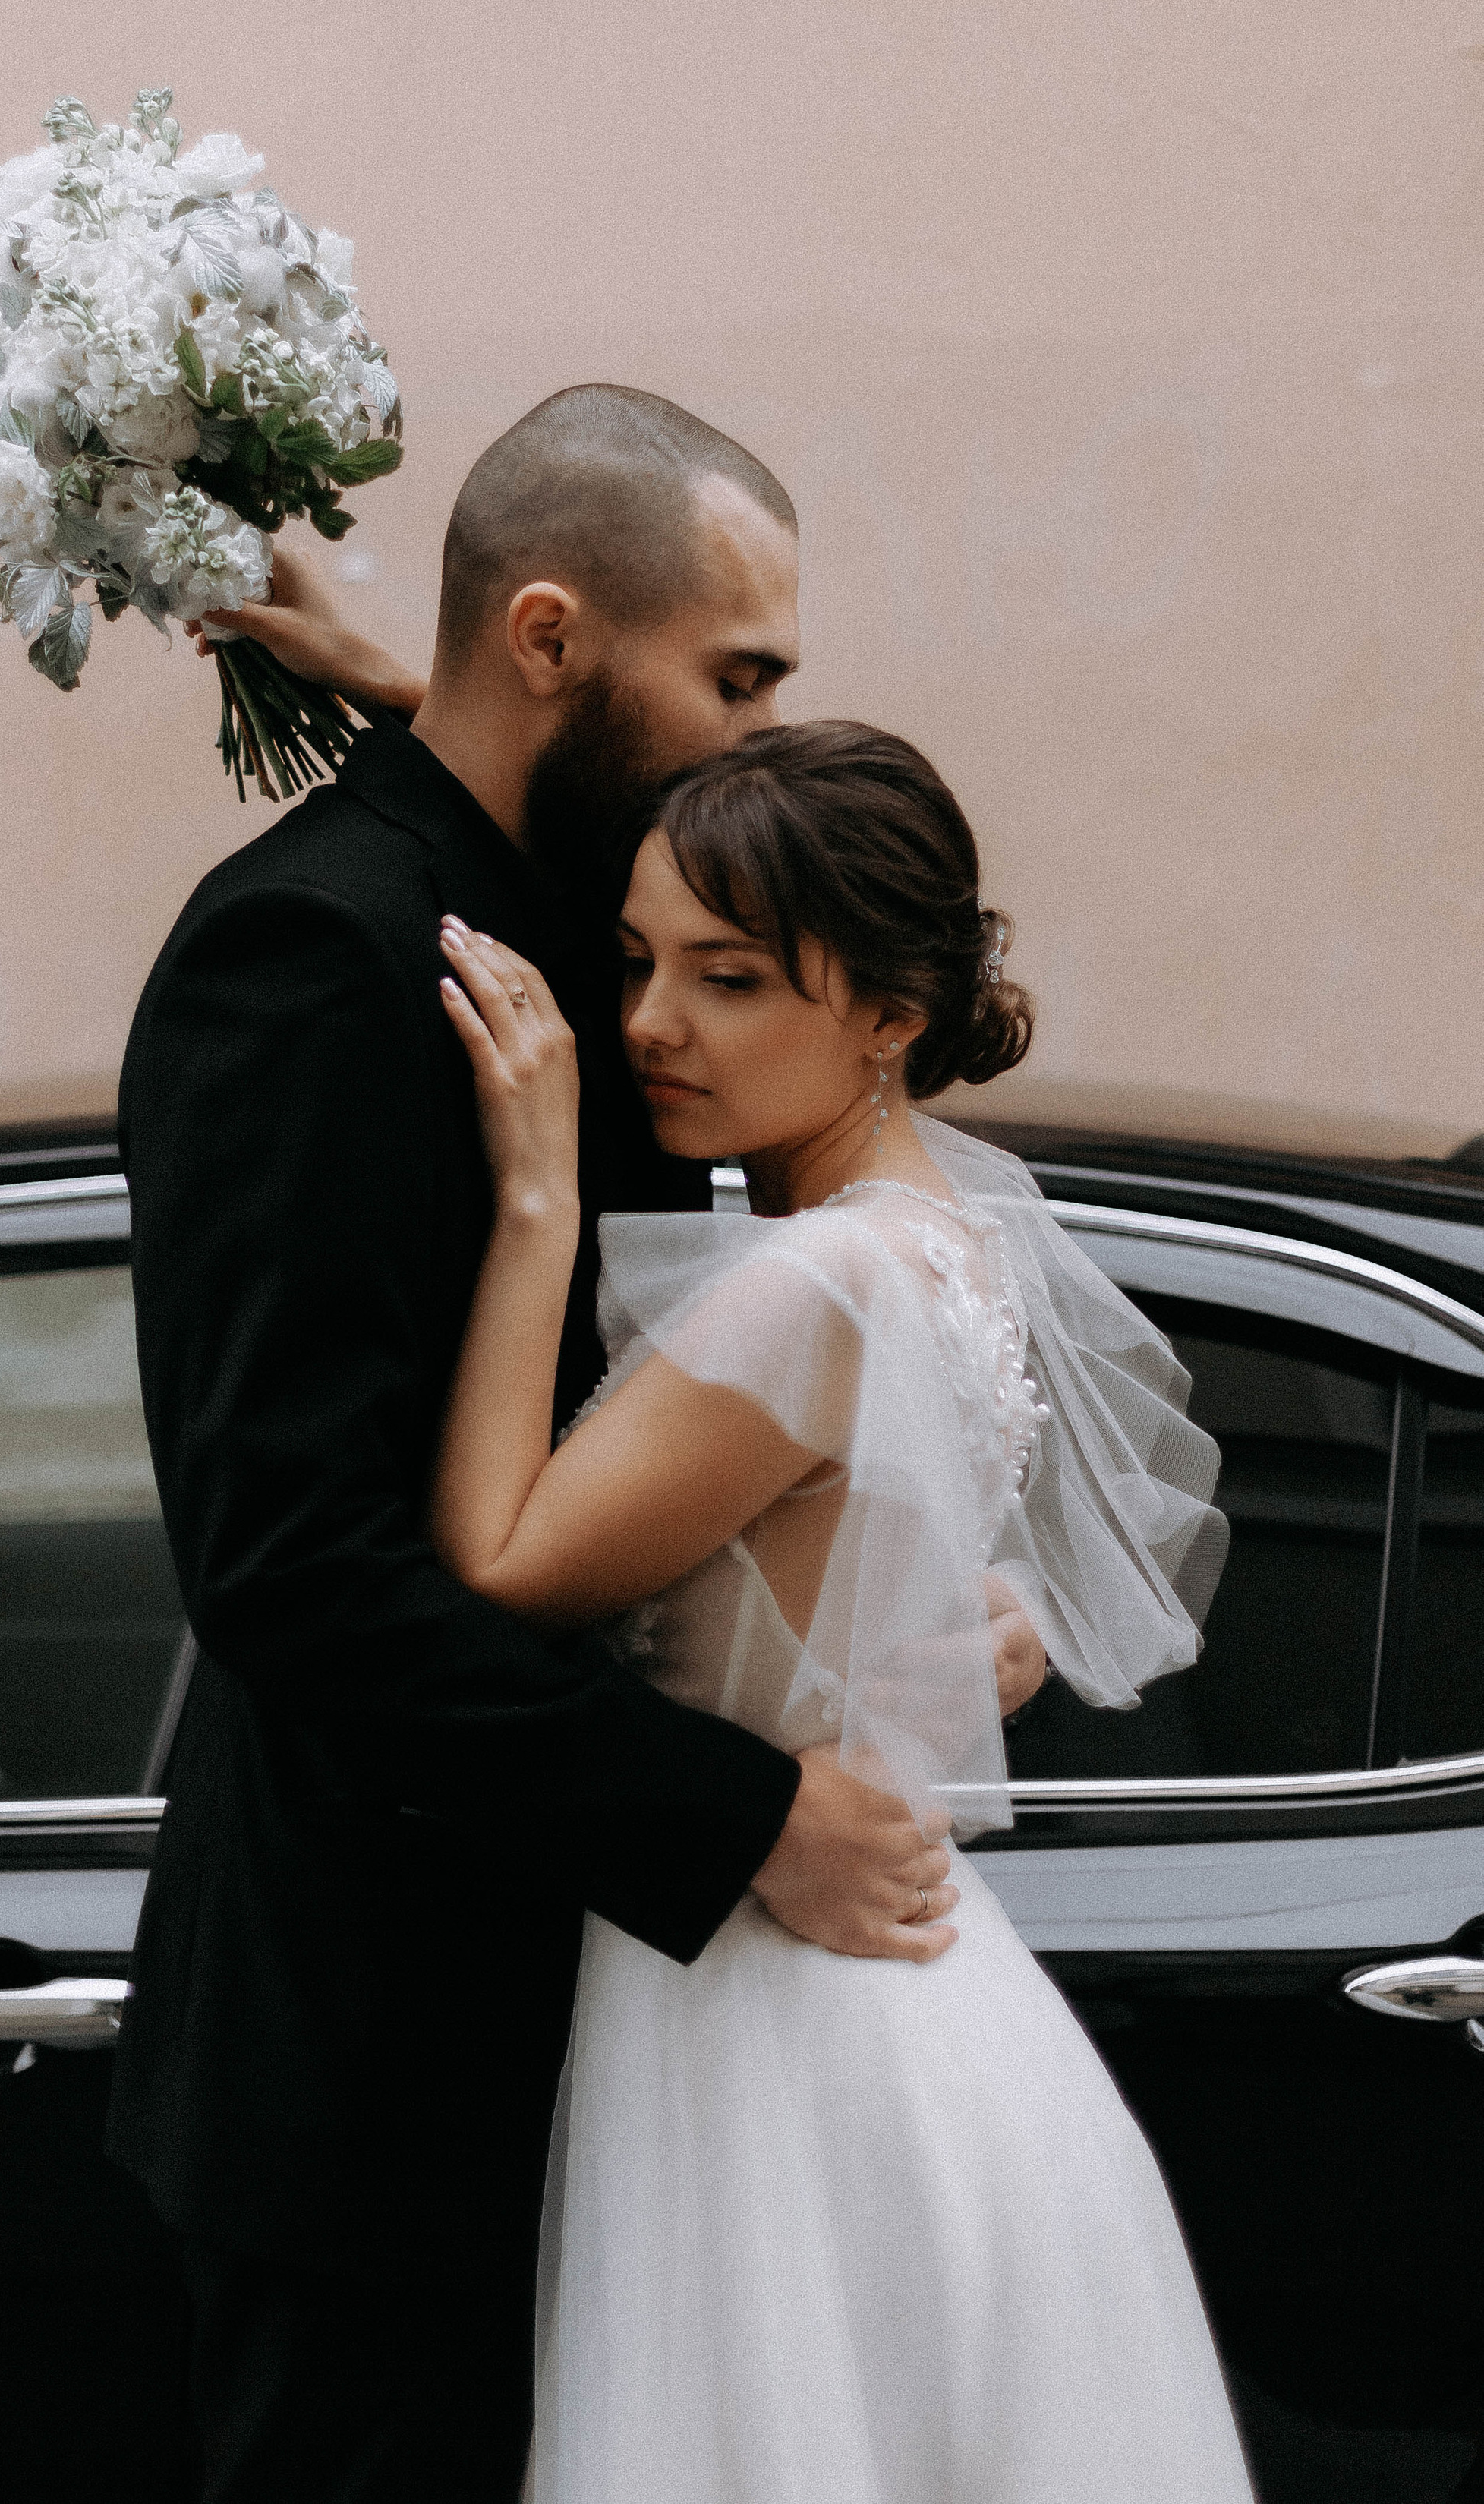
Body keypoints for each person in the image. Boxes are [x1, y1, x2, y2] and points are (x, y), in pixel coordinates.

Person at [109, 386, 1049, 2502]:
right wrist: (740, 1814)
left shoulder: (580, 915)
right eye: (736, 678)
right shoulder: (312, 957)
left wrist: (906, 1573)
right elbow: (291, 1573)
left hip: (628, 2054)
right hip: (387, 2089)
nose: (756, 733)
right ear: (549, 638)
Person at [427, 718, 1254, 2504]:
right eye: (636, 962)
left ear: (889, 1013)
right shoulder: (950, 1231)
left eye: (726, 978)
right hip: (913, 1996)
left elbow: (500, 1563)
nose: (649, 1023)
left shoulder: (819, 1278)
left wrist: (534, 1201)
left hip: (776, 2013)